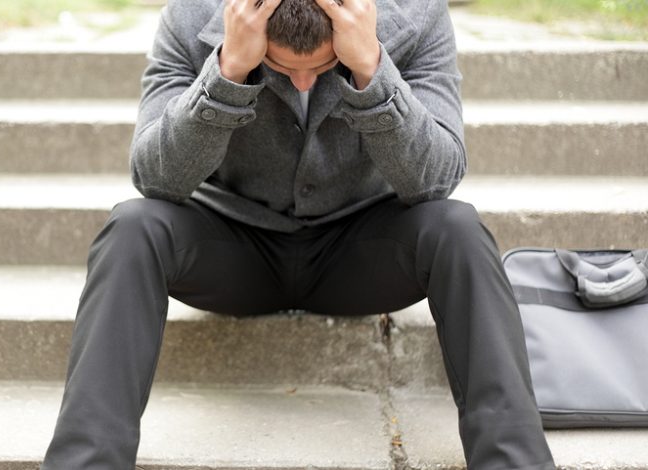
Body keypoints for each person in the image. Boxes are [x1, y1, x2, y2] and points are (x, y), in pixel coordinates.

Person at [41, 0, 557, 468]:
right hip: (235, 249)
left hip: (359, 252)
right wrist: (227, 71)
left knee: (460, 227)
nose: (305, 83)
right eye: (284, 68)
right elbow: (156, 178)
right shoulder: (189, 16)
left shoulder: (418, 17)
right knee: (132, 226)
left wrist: (371, 68)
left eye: (324, 67)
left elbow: (437, 179)